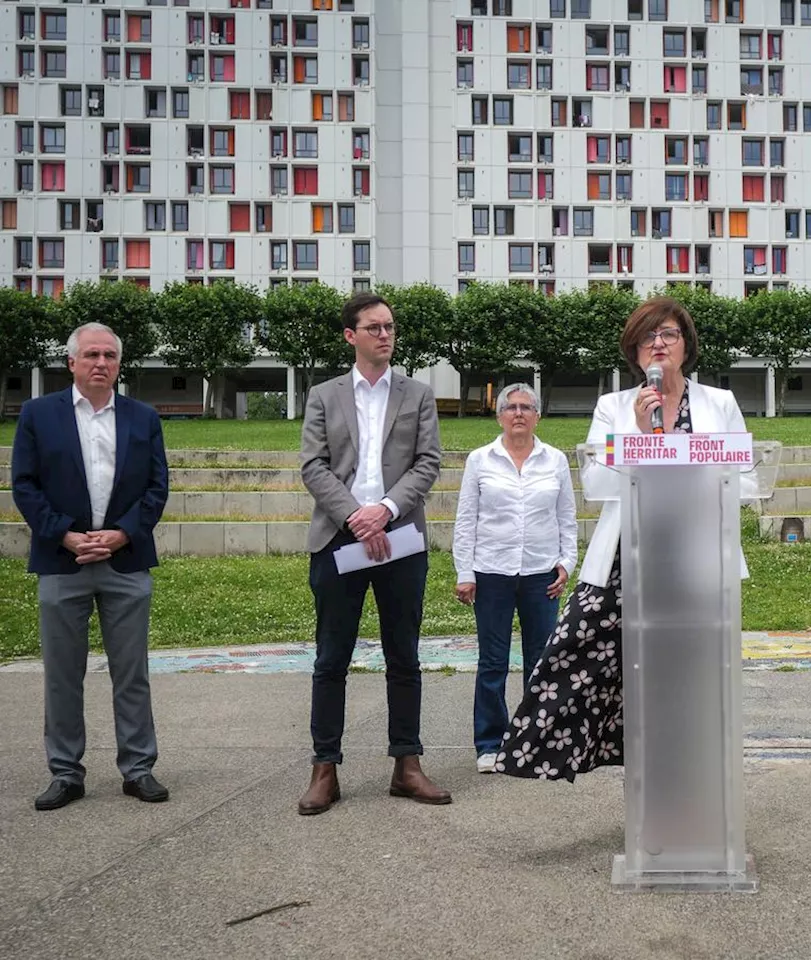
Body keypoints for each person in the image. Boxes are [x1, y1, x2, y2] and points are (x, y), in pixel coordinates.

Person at [495, 296, 748, 781]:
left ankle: (689, 777)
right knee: (575, 649)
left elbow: (747, 477)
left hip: (698, 557)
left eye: (668, 334)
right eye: (647, 337)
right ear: (633, 352)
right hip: (624, 557)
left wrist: (696, 474)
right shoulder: (613, 407)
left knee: (690, 672)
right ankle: (562, 753)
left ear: (685, 345)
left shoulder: (720, 403)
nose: (658, 343)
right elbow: (596, 484)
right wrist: (636, 427)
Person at [297, 292, 448, 815]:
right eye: (374, 327)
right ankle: (324, 768)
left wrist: (382, 510)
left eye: (389, 326)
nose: (385, 334)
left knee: (403, 655)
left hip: (400, 539)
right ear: (350, 335)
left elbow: (428, 462)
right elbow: (313, 465)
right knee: (330, 658)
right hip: (339, 538)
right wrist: (354, 517)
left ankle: (407, 765)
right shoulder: (323, 395)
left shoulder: (418, 394)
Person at [12, 323, 170, 811]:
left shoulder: (143, 417)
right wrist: (65, 533)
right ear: (72, 363)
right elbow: (25, 485)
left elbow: (156, 487)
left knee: (132, 672)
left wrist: (123, 532)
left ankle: (138, 768)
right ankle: (65, 773)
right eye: (91, 355)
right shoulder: (39, 415)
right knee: (62, 673)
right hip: (63, 561)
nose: (101, 363)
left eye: (110, 356)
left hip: (125, 561)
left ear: (120, 364)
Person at [452, 383, 577, 775]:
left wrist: (566, 563)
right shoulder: (480, 460)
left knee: (541, 661)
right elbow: (465, 519)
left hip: (542, 573)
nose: (519, 413)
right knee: (493, 662)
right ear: (499, 416)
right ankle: (490, 743)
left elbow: (566, 518)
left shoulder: (555, 460)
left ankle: (535, 742)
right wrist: (465, 572)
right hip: (492, 572)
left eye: (526, 407)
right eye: (511, 407)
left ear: (538, 416)